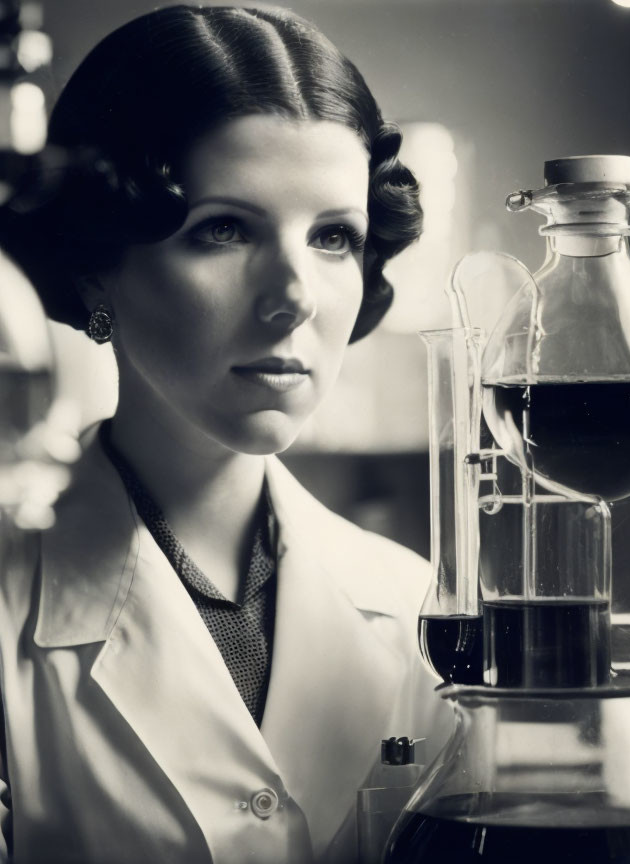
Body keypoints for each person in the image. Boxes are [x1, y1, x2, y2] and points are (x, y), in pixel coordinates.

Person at [0, 5, 443, 863]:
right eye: (226, 229)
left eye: (332, 237)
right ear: (96, 257)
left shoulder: (422, 607)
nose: (295, 296)